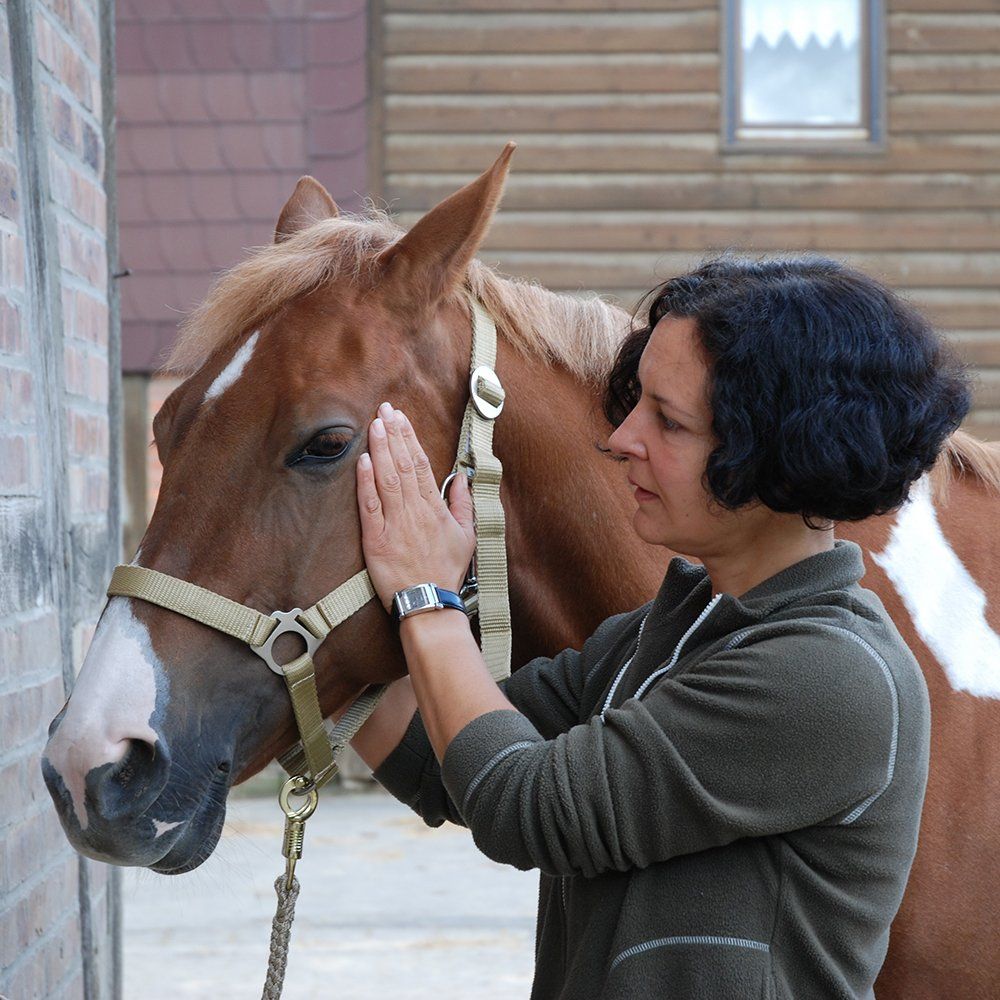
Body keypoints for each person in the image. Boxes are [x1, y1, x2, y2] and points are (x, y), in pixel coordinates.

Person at [349, 255, 971, 999]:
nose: (620, 438)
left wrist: (425, 598)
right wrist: (306, 634)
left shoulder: (828, 673)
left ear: (780, 455)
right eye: (635, 400)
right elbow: (443, 760)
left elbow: (527, 805)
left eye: (669, 421)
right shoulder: (665, 632)